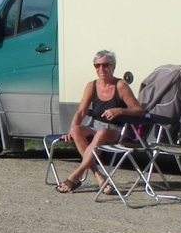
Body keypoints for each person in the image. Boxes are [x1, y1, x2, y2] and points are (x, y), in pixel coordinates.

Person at [55, 50, 143, 194]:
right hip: (95, 126)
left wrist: (120, 110)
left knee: (101, 133)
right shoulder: (92, 86)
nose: (101, 69)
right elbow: (80, 112)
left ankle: (76, 175)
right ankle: (99, 176)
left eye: (105, 65)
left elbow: (139, 110)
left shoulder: (121, 86)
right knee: (76, 130)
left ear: (113, 66)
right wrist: (71, 130)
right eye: (97, 65)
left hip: (118, 130)